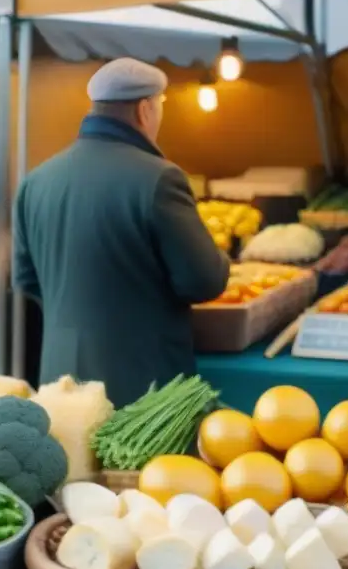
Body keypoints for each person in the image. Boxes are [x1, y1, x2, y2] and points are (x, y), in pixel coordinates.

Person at [13, 58, 230, 408]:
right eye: (161, 108)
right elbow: (203, 280)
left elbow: (25, 279)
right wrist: (221, 255)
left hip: (60, 380)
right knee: (146, 467)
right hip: (141, 384)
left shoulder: (35, 181)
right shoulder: (159, 178)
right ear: (145, 110)